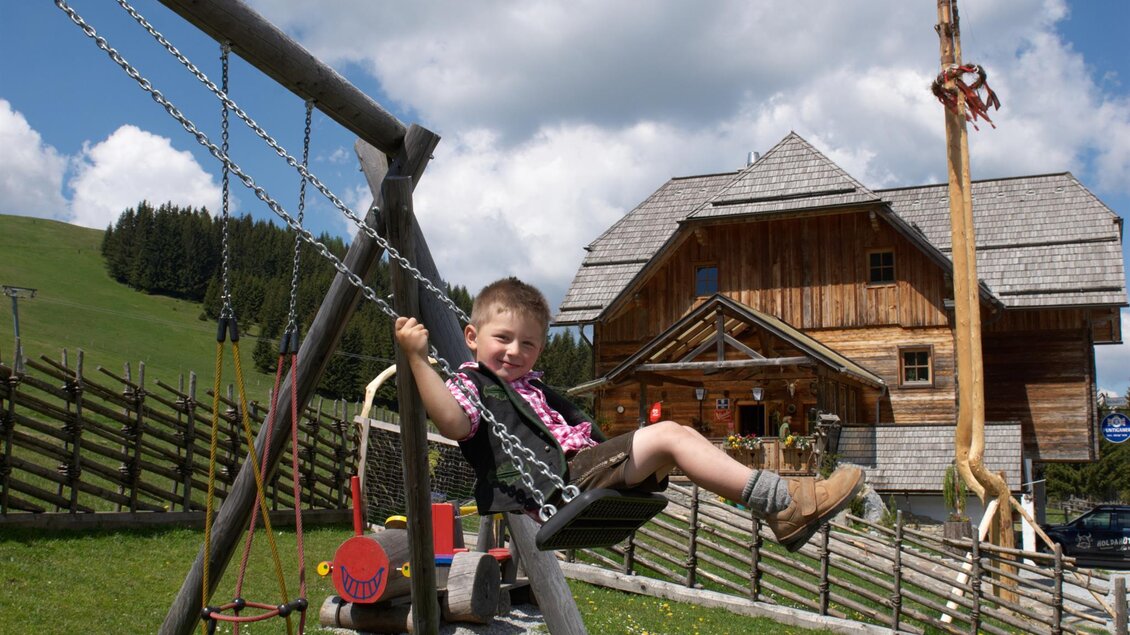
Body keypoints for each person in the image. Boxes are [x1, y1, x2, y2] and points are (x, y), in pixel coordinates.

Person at [395, 277, 864, 552]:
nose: (516, 352)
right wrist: (417, 359)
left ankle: (781, 507)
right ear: (472, 337)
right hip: (562, 480)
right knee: (671, 436)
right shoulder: (471, 384)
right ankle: (784, 504)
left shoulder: (533, 388)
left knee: (678, 440)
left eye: (529, 343)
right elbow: (454, 424)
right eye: (502, 339)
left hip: (584, 468)